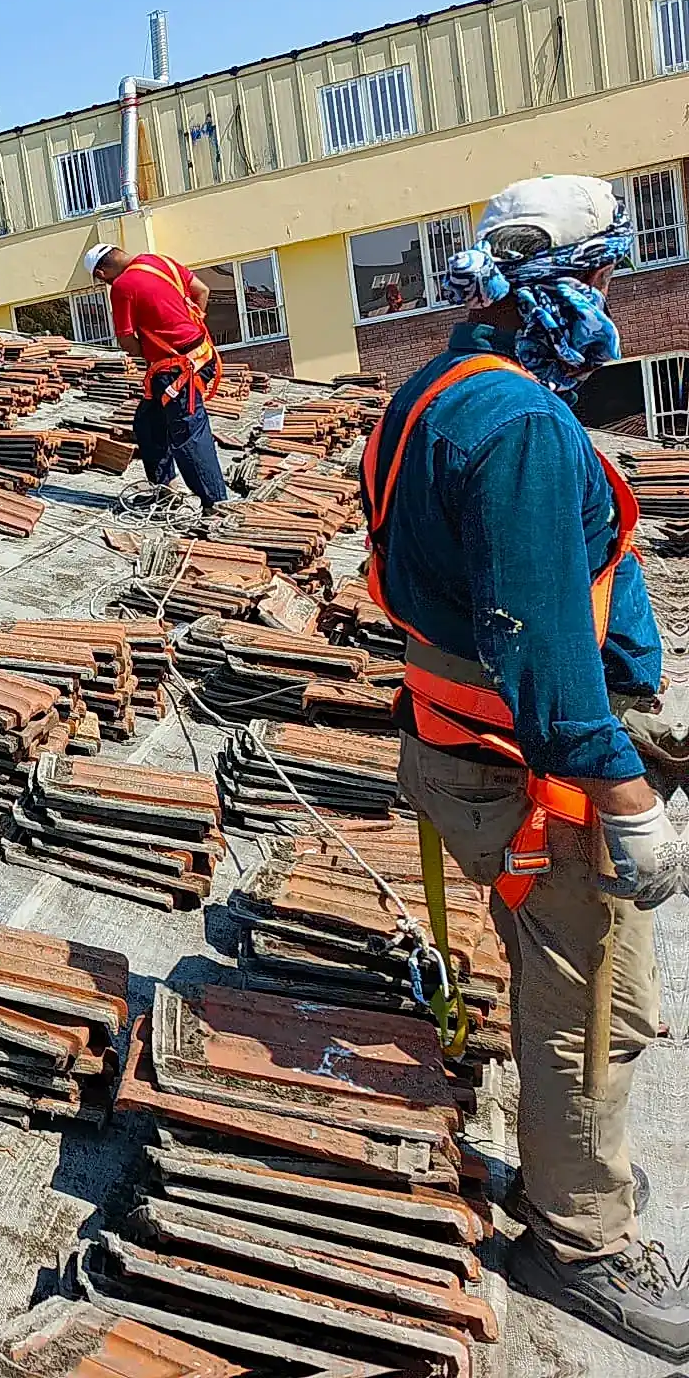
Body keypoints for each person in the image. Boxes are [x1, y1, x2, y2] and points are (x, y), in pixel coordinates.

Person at [360, 175, 685, 1358]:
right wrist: (631, 800)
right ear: (560, 286)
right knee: (583, 1012)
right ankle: (578, 1245)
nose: (609, 299)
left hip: (462, 745)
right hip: (534, 774)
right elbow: (544, 662)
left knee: (594, 1001)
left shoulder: (435, 391)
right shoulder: (523, 432)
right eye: (601, 278)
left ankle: (566, 1166)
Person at [83, 243, 228, 512]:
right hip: (202, 355)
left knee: (188, 435)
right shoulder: (161, 261)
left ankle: (216, 506)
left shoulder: (122, 287)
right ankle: (165, 491)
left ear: (102, 274)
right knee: (148, 424)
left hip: (176, 372)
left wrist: (153, 357)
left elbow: (127, 341)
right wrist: (188, 329)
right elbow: (202, 290)